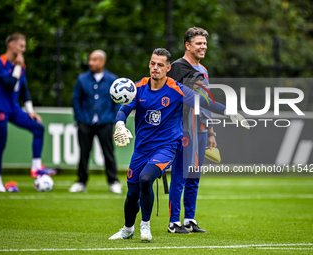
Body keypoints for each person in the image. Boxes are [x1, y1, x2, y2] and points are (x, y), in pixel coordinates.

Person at [108, 48, 248, 242]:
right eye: (152, 63)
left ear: (168, 68)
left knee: (146, 179)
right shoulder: (138, 87)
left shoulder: (176, 89)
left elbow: (205, 102)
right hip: (142, 149)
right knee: (132, 194)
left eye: (160, 65)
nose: (155, 68)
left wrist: (230, 112)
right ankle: (127, 229)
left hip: (167, 147)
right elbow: (124, 110)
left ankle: (145, 226)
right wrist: (120, 124)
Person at [0, 33, 56, 192]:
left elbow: (24, 89)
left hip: (14, 108)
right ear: (11, 45)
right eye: (21, 45)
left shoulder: (21, 65)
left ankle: (36, 166)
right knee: (1, 144)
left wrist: (30, 111)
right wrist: (18, 66)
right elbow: (9, 84)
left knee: (38, 127)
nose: (24, 49)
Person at [167, 27, 214, 233]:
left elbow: (206, 102)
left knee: (194, 176)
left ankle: (189, 219)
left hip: (201, 130)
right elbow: (168, 99)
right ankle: (174, 222)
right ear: (187, 45)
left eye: (204, 43)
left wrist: (211, 132)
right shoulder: (177, 67)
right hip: (183, 129)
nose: (203, 46)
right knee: (180, 176)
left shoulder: (203, 70)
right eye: (199, 43)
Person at [70, 50, 122, 194]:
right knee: (84, 153)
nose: (90, 63)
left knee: (109, 153)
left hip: (105, 123)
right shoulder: (82, 79)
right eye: (90, 59)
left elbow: (117, 101)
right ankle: (81, 181)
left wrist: (113, 118)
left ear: (102, 62)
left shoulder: (112, 79)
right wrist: (80, 118)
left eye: (94, 60)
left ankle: (113, 181)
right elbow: (76, 100)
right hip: (85, 122)